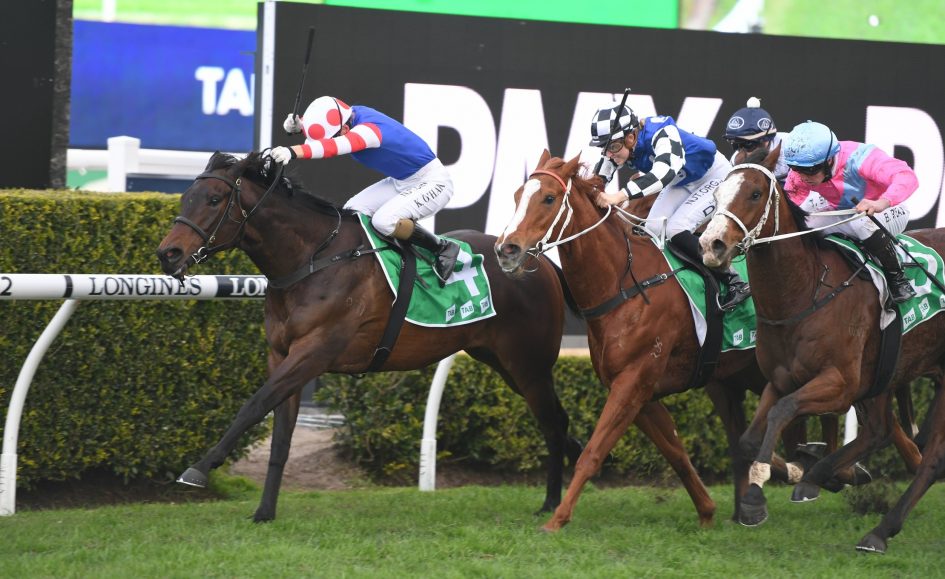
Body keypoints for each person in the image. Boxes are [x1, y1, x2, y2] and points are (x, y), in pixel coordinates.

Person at [271, 95, 459, 284]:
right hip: (403, 180)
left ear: (345, 129)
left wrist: (292, 151)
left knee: (384, 221)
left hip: (434, 182)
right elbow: (326, 126)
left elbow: (332, 147)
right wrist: (301, 125)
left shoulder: (368, 132)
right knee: (353, 212)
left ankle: (442, 248)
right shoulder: (349, 115)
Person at [592, 102, 751, 310]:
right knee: (653, 229)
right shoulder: (620, 146)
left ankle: (734, 280)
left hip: (714, 176)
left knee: (675, 229)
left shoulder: (661, 132)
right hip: (683, 180)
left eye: (612, 147)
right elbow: (598, 179)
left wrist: (619, 195)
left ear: (631, 137)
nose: (609, 154)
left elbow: (663, 173)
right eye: (604, 148)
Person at [783, 120, 918, 303]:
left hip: (888, 209)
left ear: (829, 160)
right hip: (847, 212)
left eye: (810, 170)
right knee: (805, 225)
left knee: (860, 222)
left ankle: (898, 279)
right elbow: (791, 206)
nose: (803, 177)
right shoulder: (801, 173)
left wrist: (882, 202)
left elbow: (907, 176)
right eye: (797, 169)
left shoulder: (861, 158)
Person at [724, 97, 791, 185]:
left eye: (748, 145)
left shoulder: (791, 145)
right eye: (736, 145)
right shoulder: (735, 160)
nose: (743, 151)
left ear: (767, 139)